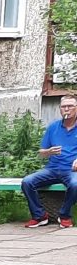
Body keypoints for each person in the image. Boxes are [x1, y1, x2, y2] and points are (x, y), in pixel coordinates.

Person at [20, 93, 77, 227]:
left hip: (71, 170)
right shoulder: (53, 127)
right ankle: (39, 216)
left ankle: (64, 215)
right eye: (63, 107)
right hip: (52, 169)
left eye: (70, 106)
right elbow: (41, 153)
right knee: (27, 182)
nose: (66, 109)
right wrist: (48, 152)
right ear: (60, 109)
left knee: (75, 184)